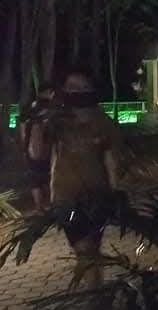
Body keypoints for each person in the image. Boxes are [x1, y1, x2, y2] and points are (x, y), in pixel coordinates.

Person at [49, 71, 123, 290]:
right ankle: (94, 295)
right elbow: (50, 156)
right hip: (66, 199)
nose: (77, 92)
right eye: (72, 87)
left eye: (82, 87)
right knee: (85, 250)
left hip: (96, 197)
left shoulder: (102, 122)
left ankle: (94, 293)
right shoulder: (59, 122)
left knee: (92, 250)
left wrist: (115, 193)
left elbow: (112, 161)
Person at [19, 85, 57, 213]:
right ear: (48, 92)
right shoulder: (50, 108)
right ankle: (52, 205)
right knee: (50, 176)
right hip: (47, 148)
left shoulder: (27, 108)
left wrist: (24, 148)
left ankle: (39, 207)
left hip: (30, 148)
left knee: (34, 179)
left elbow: (22, 129)